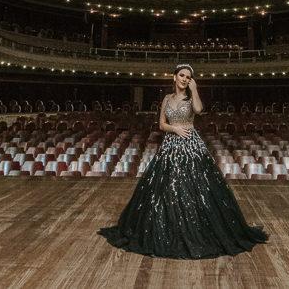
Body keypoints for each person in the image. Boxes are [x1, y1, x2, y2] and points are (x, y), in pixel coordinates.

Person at [99, 64, 268, 259]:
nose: (184, 79)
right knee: (166, 188)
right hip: (171, 145)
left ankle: (196, 230)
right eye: (182, 75)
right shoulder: (166, 99)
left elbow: (198, 109)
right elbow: (162, 124)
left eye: (188, 77)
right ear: (174, 77)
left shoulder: (191, 96)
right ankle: (168, 229)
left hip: (191, 146)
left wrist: (195, 89)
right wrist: (175, 129)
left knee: (196, 188)